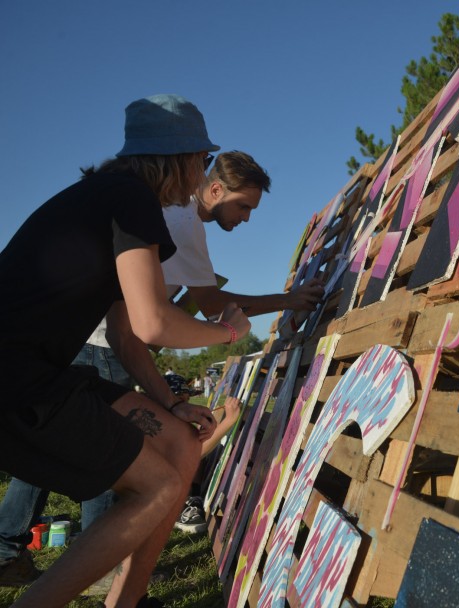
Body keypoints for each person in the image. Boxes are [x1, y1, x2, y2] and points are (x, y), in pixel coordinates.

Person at [0, 149, 325, 595]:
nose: (247, 218)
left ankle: (98, 580)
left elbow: (144, 322)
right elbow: (185, 314)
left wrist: (172, 397)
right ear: (208, 183)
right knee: (127, 470)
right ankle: (99, 572)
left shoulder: (139, 205)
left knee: (113, 453)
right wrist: (260, 316)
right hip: (88, 354)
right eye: (244, 206)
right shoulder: (168, 212)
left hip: (84, 352)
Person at [0, 93, 251, 608]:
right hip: (17, 377)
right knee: (159, 486)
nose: (199, 173)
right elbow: (154, 322)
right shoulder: (131, 198)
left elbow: (124, 335)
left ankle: (126, 601)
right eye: (201, 160)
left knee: (180, 442)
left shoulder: (106, 195)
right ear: (181, 160)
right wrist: (228, 333)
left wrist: (171, 402)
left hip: (37, 371)